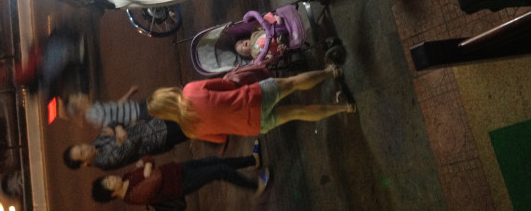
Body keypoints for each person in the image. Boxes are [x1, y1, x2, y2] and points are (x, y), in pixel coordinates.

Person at [146, 65, 355, 144]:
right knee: (293, 83)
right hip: (252, 97)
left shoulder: (189, 130)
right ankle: (332, 71)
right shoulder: (190, 90)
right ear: (167, 94)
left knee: (298, 112)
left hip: (253, 125)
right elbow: (227, 85)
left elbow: (221, 138)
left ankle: (345, 107)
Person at [91, 153, 269, 206]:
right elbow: (156, 178)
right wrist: (147, 167)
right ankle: (255, 186)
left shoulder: (126, 177)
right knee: (219, 171)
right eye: (108, 182)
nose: (111, 177)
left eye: (108, 177)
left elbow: (147, 159)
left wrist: (147, 165)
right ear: (112, 193)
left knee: (214, 161)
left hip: (177, 169)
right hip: (181, 183)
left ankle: (251, 160)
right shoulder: (133, 196)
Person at [63, 118, 188, 170]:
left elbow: (113, 123)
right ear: (84, 163)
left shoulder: (96, 143)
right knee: (193, 128)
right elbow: (130, 145)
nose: (85, 147)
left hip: (155, 123)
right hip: (160, 139)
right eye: (82, 152)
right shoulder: (105, 162)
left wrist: (118, 128)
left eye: (81, 146)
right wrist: (119, 131)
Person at [65, 85, 152, 129]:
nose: (80, 94)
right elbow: (111, 124)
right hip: (139, 114)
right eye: (77, 97)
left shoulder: (94, 107)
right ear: (79, 106)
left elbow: (117, 105)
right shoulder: (92, 115)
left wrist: (129, 93)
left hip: (138, 108)